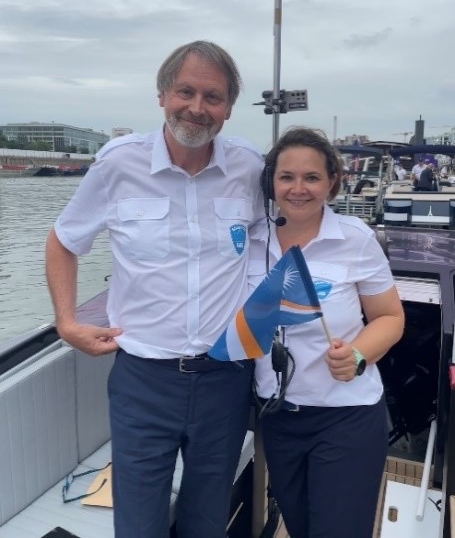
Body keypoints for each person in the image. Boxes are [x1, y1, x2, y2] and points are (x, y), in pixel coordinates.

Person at [45, 40, 265, 538]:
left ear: (228, 108)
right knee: (138, 524)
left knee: (207, 521)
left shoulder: (249, 168)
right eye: (185, 91)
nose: (197, 107)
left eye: (213, 97)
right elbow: (63, 240)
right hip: (143, 380)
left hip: (225, 378)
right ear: (162, 95)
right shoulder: (118, 162)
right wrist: (66, 322)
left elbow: (269, 242)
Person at [250, 126, 404, 538]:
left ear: (332, 182)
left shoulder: (355, 238)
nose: (298, 188)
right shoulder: (249, 239)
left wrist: (356, 355)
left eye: (312, 177)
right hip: (279, 415)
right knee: (300, 528)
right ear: (271, 181)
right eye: (287, 177)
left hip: (346, 416)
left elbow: (390, 317)